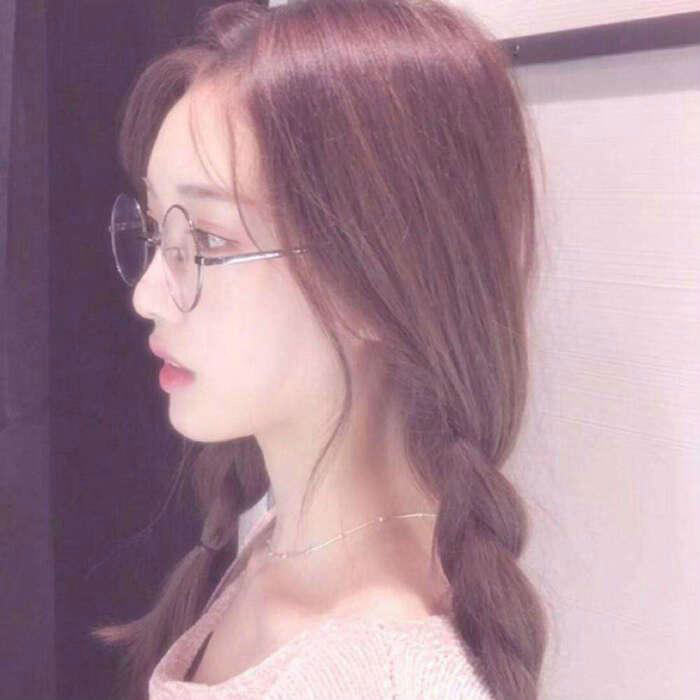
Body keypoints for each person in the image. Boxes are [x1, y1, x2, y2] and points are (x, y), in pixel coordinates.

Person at [94, 0, 549, 698]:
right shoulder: (279, 549)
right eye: (159, 232)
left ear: (377, 277)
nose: (148, 296)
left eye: (207, 240)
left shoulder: (392, 677)